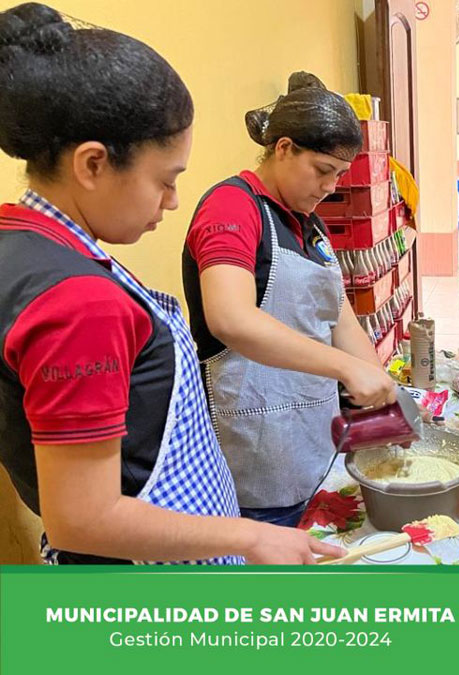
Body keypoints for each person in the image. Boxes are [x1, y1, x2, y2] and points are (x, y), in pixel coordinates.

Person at [0, 3, 344, 564]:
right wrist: (252, 536)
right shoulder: (79, 301)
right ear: (92, 164)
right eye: (165, 180)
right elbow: (83, 518)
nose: (174, 201)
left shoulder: (21, 243)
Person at [182, 73, 396, 527]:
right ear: (283, 148)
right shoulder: (232, 206)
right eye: (322, 170)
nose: (331, 186)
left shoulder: (309, 222)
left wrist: (381, 386)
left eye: (340, 175)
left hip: (311, 438)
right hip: (257, 446)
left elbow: (340, 319)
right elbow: (230, 319)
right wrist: (345, 368)